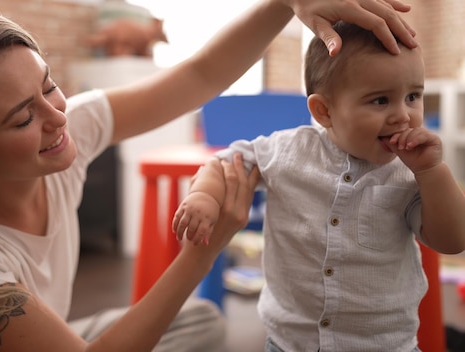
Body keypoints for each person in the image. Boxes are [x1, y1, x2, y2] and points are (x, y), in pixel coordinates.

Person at [0, 1, 418, 351]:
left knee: (199, 321)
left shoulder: (62, 135)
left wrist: (286, 2)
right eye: (22, 116)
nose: (59, 118)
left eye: (48, 86)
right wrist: (201, 253)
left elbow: (197, 76)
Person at [172, 20, 465, 351]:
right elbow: (226, 163)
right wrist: (204, 196)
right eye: (380, 101)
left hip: (384, 345)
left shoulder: (411, 171)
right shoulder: (288, 150)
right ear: (324, 111)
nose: (403, 115)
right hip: (290, 342)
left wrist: (433, 172)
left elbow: (453, 240)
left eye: (413, 96)